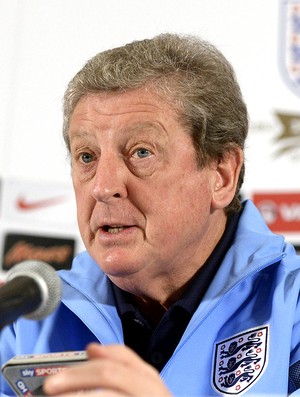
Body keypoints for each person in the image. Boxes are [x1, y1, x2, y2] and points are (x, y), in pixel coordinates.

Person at [1, 33, 300, 397]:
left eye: (141, 152)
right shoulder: (27, 319)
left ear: (221, 175)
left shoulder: (292, 306)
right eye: (86, 157)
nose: (102, 186)